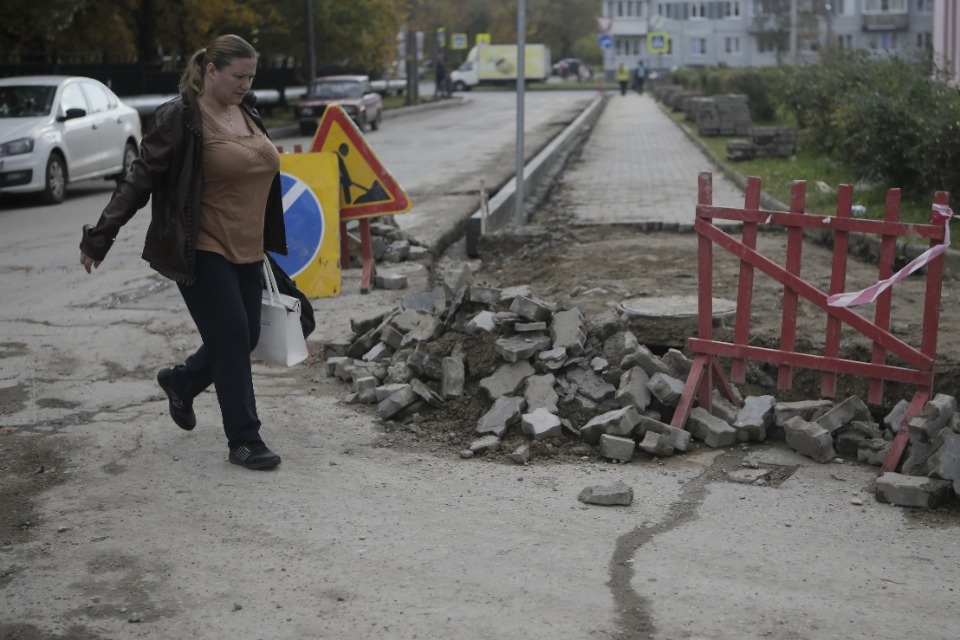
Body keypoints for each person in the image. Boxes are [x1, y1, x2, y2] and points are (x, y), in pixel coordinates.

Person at [78, 34, 287, 471]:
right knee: (231, 336)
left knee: (245, 336)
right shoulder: (180, 117)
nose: (246, 84)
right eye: (238, 76)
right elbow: (139, 179)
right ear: (211, 70)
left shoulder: (246, 110)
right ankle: (244, 440)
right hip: (201, 246)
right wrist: (101, 234)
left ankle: (182, 380)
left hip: (248, 248)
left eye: (251, 76)